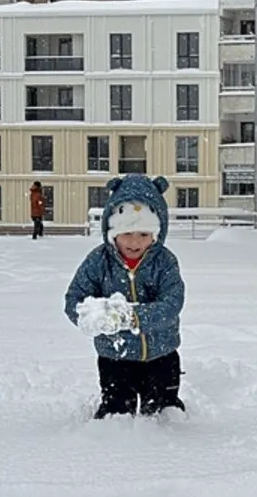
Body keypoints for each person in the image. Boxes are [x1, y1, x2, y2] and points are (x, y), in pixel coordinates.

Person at [64, 175, 186, 419]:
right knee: (116, 407)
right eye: (126, 233)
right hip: (114, 355)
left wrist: (133, 317)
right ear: (112, 232)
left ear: (157, 233)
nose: (134, 242)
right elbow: (74, 299)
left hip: (161, 353)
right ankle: (113, 424)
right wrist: (93, 316)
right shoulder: (98, 262)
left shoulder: (164, 262)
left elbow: (172, 303)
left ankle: (169, 417)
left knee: (163, 408)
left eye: (143, 234)